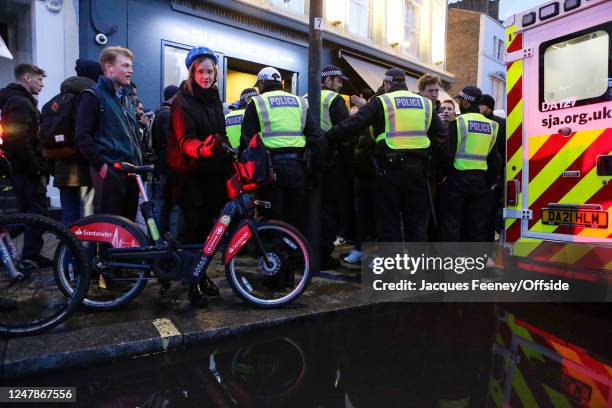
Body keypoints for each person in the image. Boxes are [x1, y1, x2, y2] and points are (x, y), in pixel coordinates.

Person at [326, 68, 448, 242]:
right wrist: (437, 168)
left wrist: (326, 138)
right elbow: (441, 139)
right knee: (416, 225)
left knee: (389, 223)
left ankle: (392, 268)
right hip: (418, 172)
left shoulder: (381, 101)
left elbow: (352, 124)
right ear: (405, 83)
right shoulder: (425, 104)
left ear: (386, 83)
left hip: (389, 171)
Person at [240, 66, 323, 236]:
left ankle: (275, 257)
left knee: (272, 220)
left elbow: (247, 141)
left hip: (270, 171)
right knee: (297, 219)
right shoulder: (300, 102)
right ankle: (296, 259)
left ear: (262, 83)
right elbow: (316, 136)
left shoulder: (257, 102)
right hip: (298, 168)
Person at [172, 46, 232, 247]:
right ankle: (190, 273)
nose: (206, 76)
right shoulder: (182, 101)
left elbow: (221, 134)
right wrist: (203, 149)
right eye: (201, 71)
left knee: (209, 229)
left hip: (215, 174)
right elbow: (185, 140)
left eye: (210, 71)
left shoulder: (215, 100)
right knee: (193, 232)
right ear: (192, 72)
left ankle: (199, 271)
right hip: (193, 175)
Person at [76, 46, 142, 220]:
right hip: (110, 173)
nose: (131, 70)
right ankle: (94, 249)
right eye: (126, 66)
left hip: (130, 173)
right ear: (109, 67)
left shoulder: (127, 99)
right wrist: (102, 167)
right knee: (106, 228)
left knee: (127, 227)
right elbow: (82, 137)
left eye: (131, 66)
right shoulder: (92, 96)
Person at [0, 63, 50, 266]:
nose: (42, 84)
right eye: (39, 79)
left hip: (19, 167)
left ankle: (27, 253)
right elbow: (18, 138)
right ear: (27, 78)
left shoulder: (16, 100)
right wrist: (36, 168)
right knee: (33, 214)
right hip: (25, 169)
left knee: (27, 214)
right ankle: (30, 255)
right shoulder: (21, 102)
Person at [438, 86, 501, 242]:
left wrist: (442, 176)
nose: (459, 103)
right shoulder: (492, 126)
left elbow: (447, 154)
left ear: (466, 102)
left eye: (460, 100)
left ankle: (451, 264)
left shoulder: (457, 122)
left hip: (456, 180)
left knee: (452, 223)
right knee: (476, 226)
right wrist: (490, 182)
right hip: (480, 182)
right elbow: (494, 158)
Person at [48, 58, 101, 226]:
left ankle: (66, 252)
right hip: (84, 168)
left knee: (68, 218)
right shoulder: (90, 96)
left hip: (62, 167)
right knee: (87, 218)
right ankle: (85, 253)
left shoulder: (58, 98)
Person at [316, 65, 351, 270]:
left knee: (314, 206)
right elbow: (346, 129)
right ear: (328, 80)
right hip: (331, 161)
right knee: (328, 209)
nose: (340, 84)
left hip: (309, 159)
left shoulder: (304, 96)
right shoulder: (334, 100)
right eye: (338, 80)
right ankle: (324, 256)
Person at [343, 85, 383, 264]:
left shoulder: (379, 115)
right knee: (362, 212)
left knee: (381, 214)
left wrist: (365, 107)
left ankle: (377, 253)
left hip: (380, 171)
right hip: (362, 170)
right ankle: (359, 248)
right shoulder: (365, 114)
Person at [151, 84, 179, 235]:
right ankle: (163, 235)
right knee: (167, 203)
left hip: (164, 165)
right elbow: (171, 141)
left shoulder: (160, 113)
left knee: (166, 202)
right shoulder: (167, 114)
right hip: (169, 166)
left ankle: (162, 234)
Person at [479, 94, 506, 239]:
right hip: (486, 175)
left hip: (493, 176)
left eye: (480, 105)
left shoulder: (499, 124)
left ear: (488, 109)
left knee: (488, 214)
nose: (477, 108)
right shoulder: (500, 123)